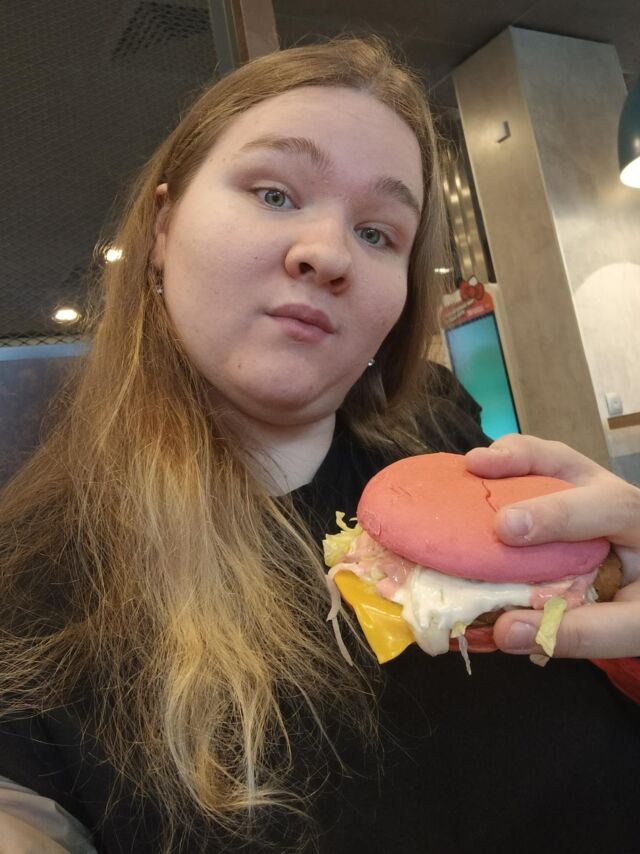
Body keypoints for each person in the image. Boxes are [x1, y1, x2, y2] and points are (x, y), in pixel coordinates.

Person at [0, 36, 639, 854]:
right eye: (274, 194)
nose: (330, 253)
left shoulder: (448, 442)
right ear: (163, 227)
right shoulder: (31, 575)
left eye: (378, 233)